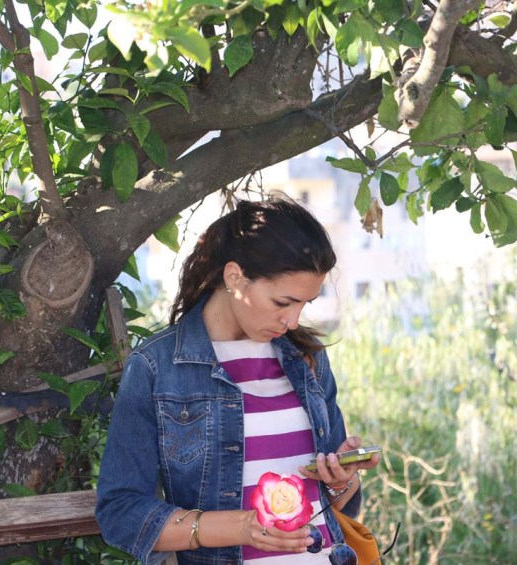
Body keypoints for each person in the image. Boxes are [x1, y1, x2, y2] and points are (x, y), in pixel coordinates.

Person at [96, 195, 379, 564]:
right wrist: (240, 528)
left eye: (304, 304)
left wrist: (339, 480)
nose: (293, 321)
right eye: (283, 303)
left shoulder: (307, 358)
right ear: (235, 278)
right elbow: (120, 513)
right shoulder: (157, 366)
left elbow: (338, 505)